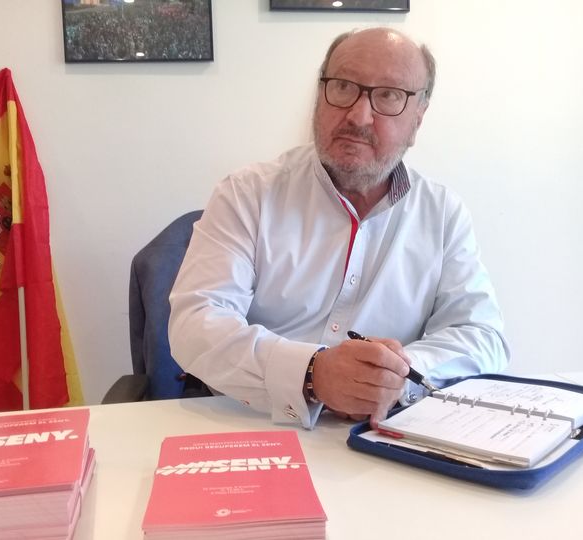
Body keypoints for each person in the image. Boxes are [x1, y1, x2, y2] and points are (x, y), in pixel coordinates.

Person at [168, 27, 510, 429]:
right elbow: (195, 324)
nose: (359, 116)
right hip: (256, 427)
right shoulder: (248, 193)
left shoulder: (443, 214)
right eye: (344, 86)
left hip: (385, 435)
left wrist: (392, 377)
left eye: (389, 96)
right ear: (319, 97)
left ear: (418, 119)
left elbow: (483, 336)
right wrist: (310, 373)